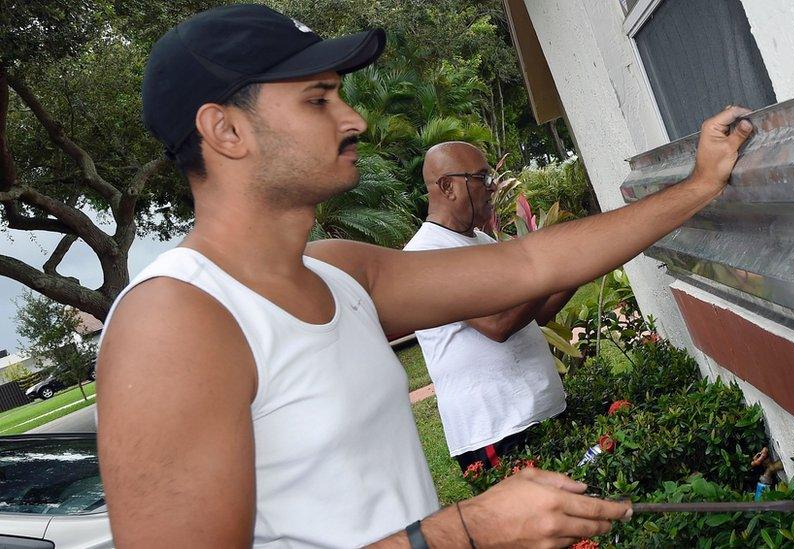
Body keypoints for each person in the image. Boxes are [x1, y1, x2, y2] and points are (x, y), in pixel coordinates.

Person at [96, 4, 753, 548]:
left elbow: (529, 264)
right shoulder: (175, 322)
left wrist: (697, 187)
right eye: (318, 98)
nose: (352, 118)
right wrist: (467, 528)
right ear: (226, 130)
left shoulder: (337, 271)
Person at [404, 142, 575, 473]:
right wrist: (552, 269)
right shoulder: (424, 256)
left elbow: (533, 316)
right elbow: (498, 324)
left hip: (540, 411)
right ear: (447, 186)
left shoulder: (482, 243)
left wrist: (577, 270)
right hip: (496, 430)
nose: (493, 185)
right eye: (482, 177)